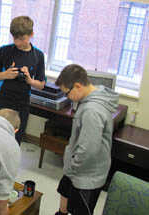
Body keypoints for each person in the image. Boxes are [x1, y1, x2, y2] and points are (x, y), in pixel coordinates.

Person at [54, 64, 119, 215]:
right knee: (64, 191)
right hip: (77, 168)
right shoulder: (93, 95)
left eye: (67, 93)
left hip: (86, 175)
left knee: (79, 210)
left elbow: (87, 150)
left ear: (77, 86)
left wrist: (71, 168)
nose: (67, 97)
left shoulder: (92, 111)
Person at [0, 16, 45, 145]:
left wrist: (30, 80)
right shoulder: (5, 51)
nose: (18, 42)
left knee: (14, 141)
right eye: (15, 38)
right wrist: (5, 74)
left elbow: (41, 84)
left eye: (22, 39)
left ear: (31, 35)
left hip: (21, 105)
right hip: (1, 100)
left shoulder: (38, 56)